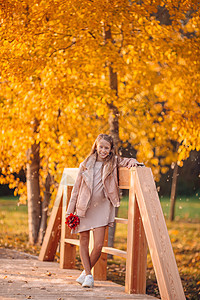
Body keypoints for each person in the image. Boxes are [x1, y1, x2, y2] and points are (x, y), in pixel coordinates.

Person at [66, 134, 144, 288]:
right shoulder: (85, 164)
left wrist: (134, 162)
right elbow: (75, 190)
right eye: (100, 146)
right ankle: (89, 275)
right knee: (83, 240)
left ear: (110, 149)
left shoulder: (113, 162)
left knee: (99, 244)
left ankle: (85, 273)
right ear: (96, 146)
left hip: (102, 207)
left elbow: (126, 161)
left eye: (106, 148)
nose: (103, 150)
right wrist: (70, 212)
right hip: (84, 207)